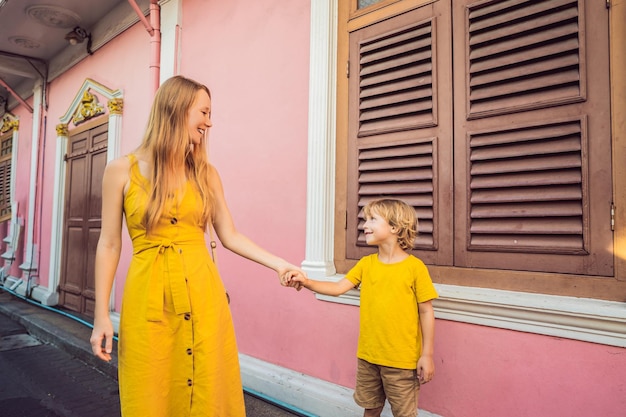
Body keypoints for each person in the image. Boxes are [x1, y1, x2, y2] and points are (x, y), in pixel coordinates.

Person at [89, 75, 304, 417]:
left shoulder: (206, 173)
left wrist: (279, 263)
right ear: (176, 109)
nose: (209, 122)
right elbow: (109, 244)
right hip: (149, 301)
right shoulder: (120, 171)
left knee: (208, 390)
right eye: (203, 112)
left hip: (204, 296)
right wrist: (101, 316)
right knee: (151, 391)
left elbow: (229, 235)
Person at [290, 198, 438, 417]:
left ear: (394, 227)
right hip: (368, 357)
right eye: (365, 219)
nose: (364, 225)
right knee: (371, 408)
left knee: (404, 414)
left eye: (372, 220)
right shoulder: (366, 264)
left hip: (401, 362)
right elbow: (338, 287)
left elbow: (426, 311)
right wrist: (307, 282)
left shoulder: (415, 268)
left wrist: (427, 354)